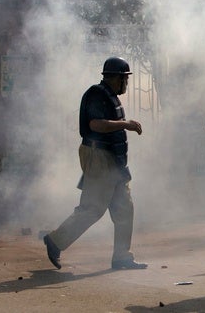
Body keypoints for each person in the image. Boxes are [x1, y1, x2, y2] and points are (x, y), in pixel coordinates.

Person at [43, 57, 147, 270]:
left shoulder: (110, 96)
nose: (126, 83)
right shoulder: (96, 94)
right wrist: (125, 124)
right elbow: (96, 125)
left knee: (124, 208)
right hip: (99, 157)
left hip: (114, 160)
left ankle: (121, 257)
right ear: (116, 78)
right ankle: (55, 241)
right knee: (92, 208)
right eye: (124, 79)